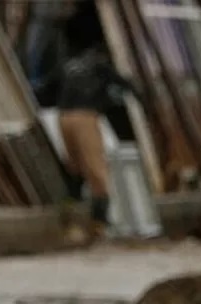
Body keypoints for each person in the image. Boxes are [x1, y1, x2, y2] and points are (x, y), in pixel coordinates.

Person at [52, 37, 137, 246]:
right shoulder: (101, 66)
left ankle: (69, 224)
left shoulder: (69, 66)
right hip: (84, 117)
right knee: (98, 174)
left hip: (62, 117)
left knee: (74, 170)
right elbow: (126, 86)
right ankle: (99, 227)